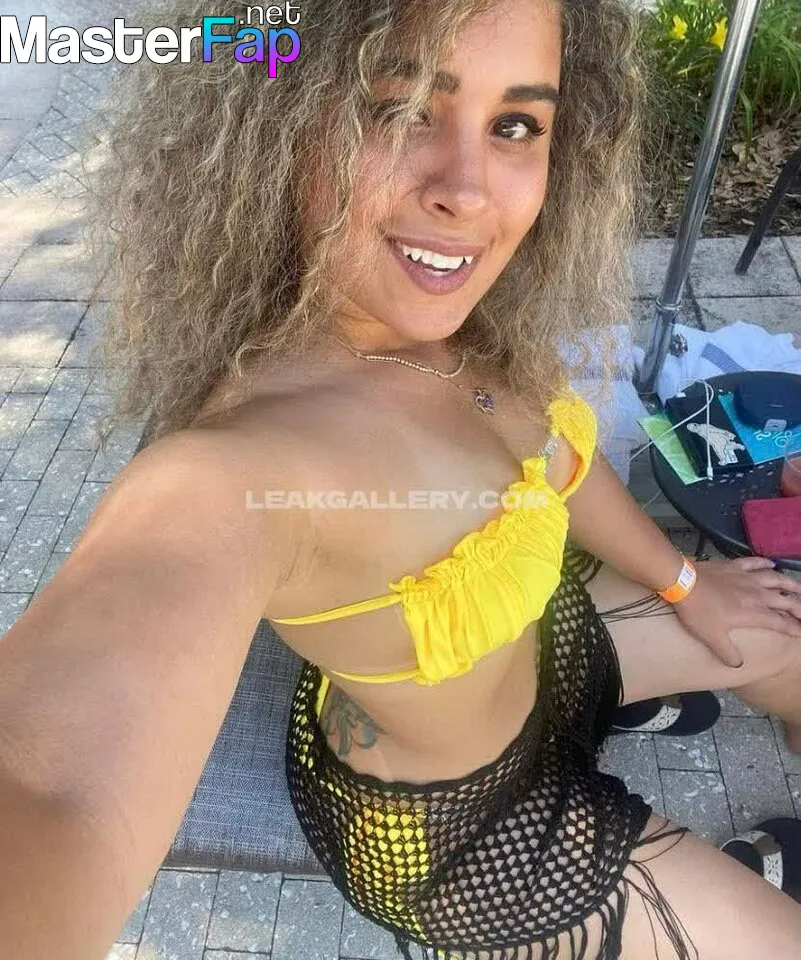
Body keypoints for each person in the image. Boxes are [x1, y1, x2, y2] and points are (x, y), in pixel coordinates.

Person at [1, 0, 801, 957]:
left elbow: (559, 462)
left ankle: (623, 709)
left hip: (546, 657)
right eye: (400, 109)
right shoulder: (240, 470)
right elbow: (52, 788)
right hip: (469, 830)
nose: (467, 191)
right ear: (277, 126)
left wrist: (686, 581)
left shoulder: (465, 326)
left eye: (516, 124)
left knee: (785, 636)